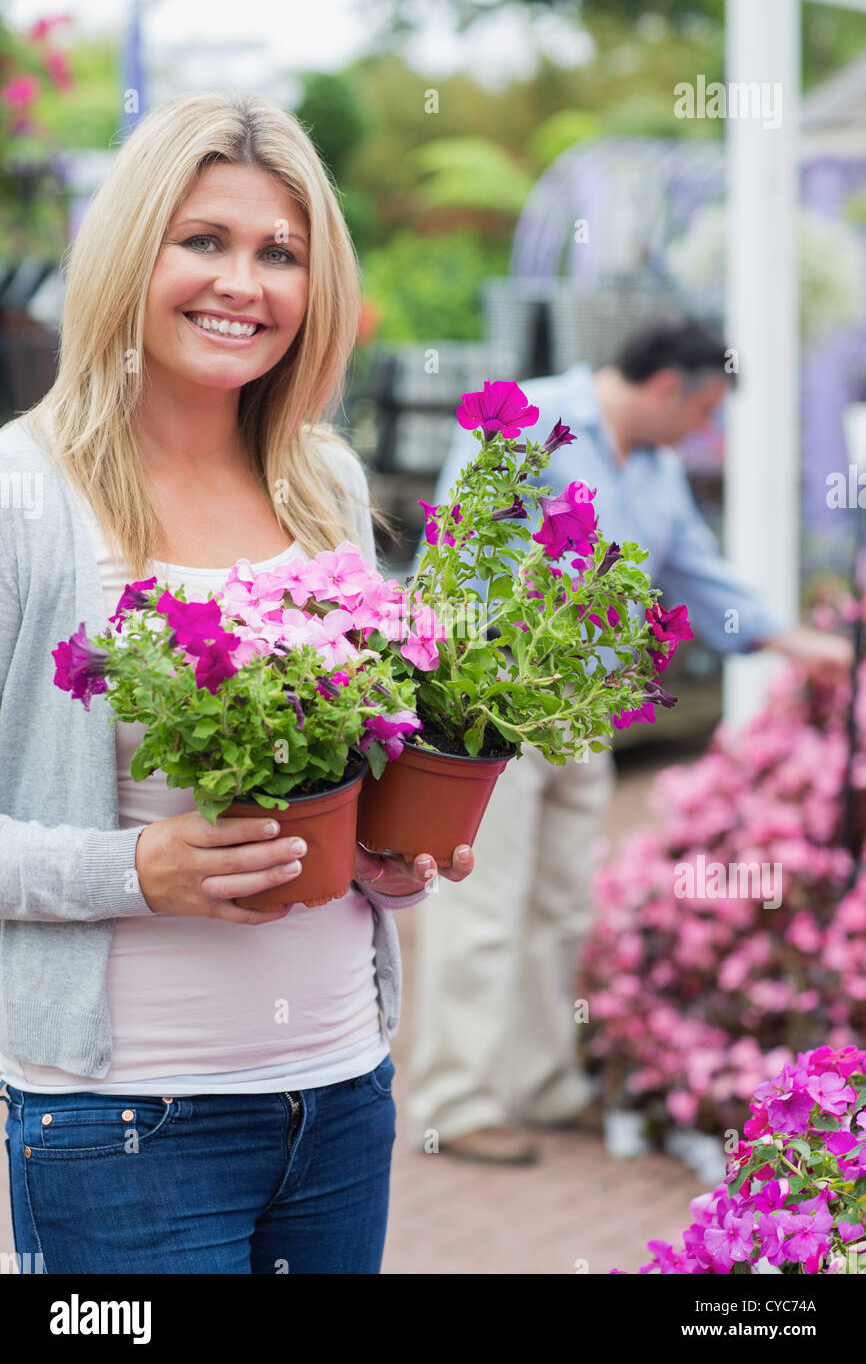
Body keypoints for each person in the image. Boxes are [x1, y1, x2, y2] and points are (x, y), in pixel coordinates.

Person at [0, 90, 476, 1274]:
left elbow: (351, 767)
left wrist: (391, 849)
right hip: (119, 1125)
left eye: (281, 253)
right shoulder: (23, 495)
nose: (242, 283)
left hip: (336, 1092)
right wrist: (134, 871)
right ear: (131, 251)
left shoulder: (319, 478)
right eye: (202, 240)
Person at [408, 317, 853, 1166]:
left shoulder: (653, 467)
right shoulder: (532, 419)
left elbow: (693, 566)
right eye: (705, 410)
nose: (706, 431)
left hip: (581, 713)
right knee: (487, 903)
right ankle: (455, 1101)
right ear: (664, 388)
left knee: (563, 902)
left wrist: (802, 644)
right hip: (500, 705)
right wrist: (458, 698)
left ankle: (541, 1082)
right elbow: (452, 550)